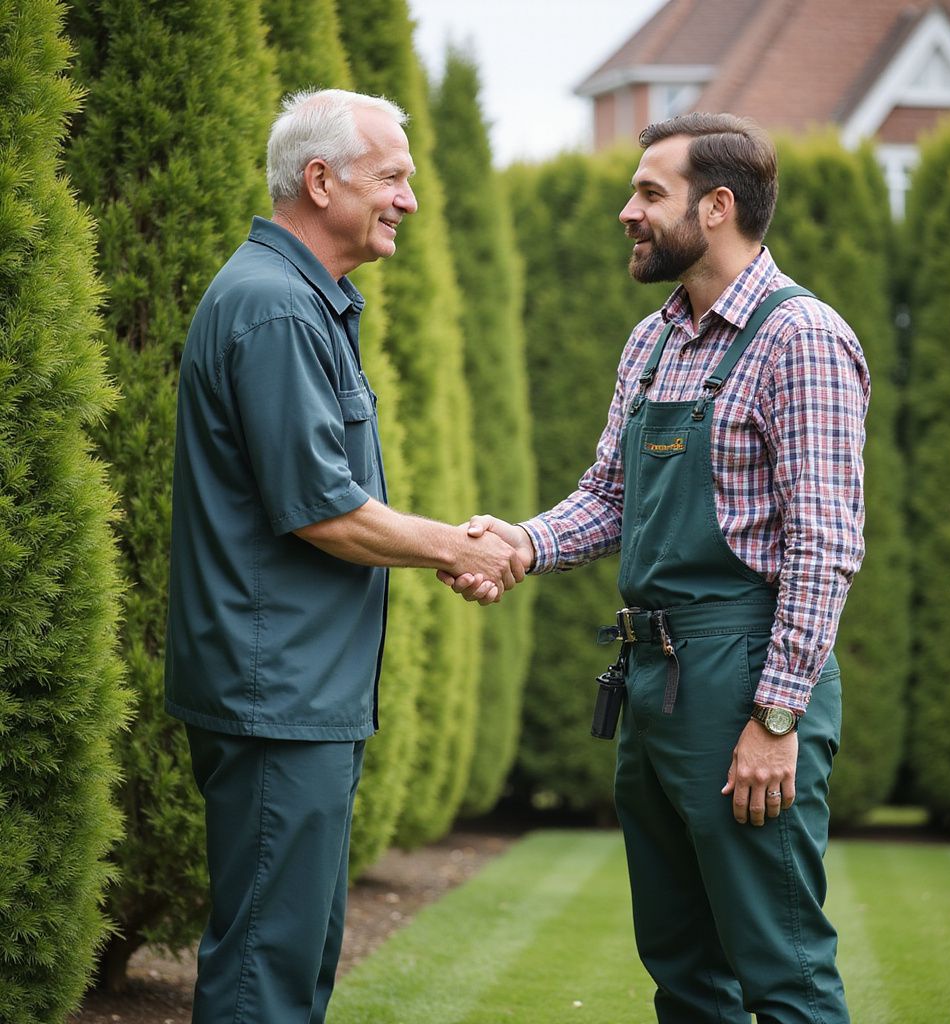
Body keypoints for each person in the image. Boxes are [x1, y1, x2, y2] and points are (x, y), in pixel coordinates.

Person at [444, 112, 868, 1023]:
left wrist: (777, 716)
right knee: (683, 972)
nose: (626, 212)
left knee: (783, 970)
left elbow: (826, 546)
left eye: (648, 193)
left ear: (716, 207)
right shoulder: (654, 341)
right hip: (653, 678)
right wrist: (519, 543)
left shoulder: (804, 340)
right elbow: (608, 497)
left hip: (743, 675)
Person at [164, 88, 524, 1024]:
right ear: (320, 182)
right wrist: (459, 545)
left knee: (294, 957)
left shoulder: (299, 301)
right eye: (393, 177)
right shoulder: (277, 309)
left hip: (294, 694)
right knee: (264, 975)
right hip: (276, 695)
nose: (409, 199)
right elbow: (322, 510)